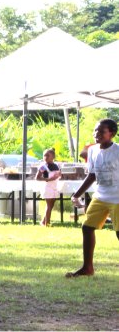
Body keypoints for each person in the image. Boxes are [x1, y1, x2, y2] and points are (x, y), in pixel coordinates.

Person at [67, 119, 119, 278]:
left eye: (102, 131)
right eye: (95, 131)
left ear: (112, 133)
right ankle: (87, 268)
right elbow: (92, 175)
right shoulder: (92, 150)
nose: (97, 134)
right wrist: (77, 193)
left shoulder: (117, 150)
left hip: (118, 197)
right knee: (87, 227)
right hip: (101, 195)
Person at [36, 148, 61, 227]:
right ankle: (47, 223)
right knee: (49, 205)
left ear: (53, 157)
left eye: (48, 155)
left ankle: (43, 221)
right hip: (47, 187)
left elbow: (59, 174)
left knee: (51, 205)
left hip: (54, 186)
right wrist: (48, 179)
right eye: (44, 155)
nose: (45, 157)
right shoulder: (43, 167)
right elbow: (37, 177)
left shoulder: (57, 165)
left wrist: (59, 175)